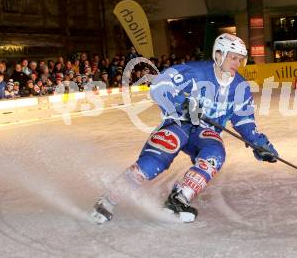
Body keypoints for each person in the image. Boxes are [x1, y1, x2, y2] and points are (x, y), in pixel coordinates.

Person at [91, 33, 279, 224]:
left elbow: (244, 119)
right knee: (154, 161)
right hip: (179, 122)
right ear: (219, 55)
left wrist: (258, 141)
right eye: (233, 57)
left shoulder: (240, 86)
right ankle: (110, 197)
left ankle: (179, 198)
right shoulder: (194, 72)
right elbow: (159, 86)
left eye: (240, 59)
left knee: (215, 154)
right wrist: (181, 102)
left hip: (205, 132)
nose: (237, 63)